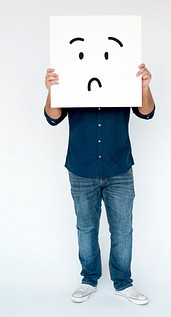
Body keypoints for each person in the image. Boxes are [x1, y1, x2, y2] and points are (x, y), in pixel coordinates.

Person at [44, 64, 155, 305]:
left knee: (123, 229)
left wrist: (145, 87)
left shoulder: (123, 74)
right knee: (86, 227)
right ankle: (89, 279)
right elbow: (53, 118)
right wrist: (52, 89)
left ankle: (123, 282)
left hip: (119, 167)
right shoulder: (71, 76)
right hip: (81, 167)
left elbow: (146, 112)